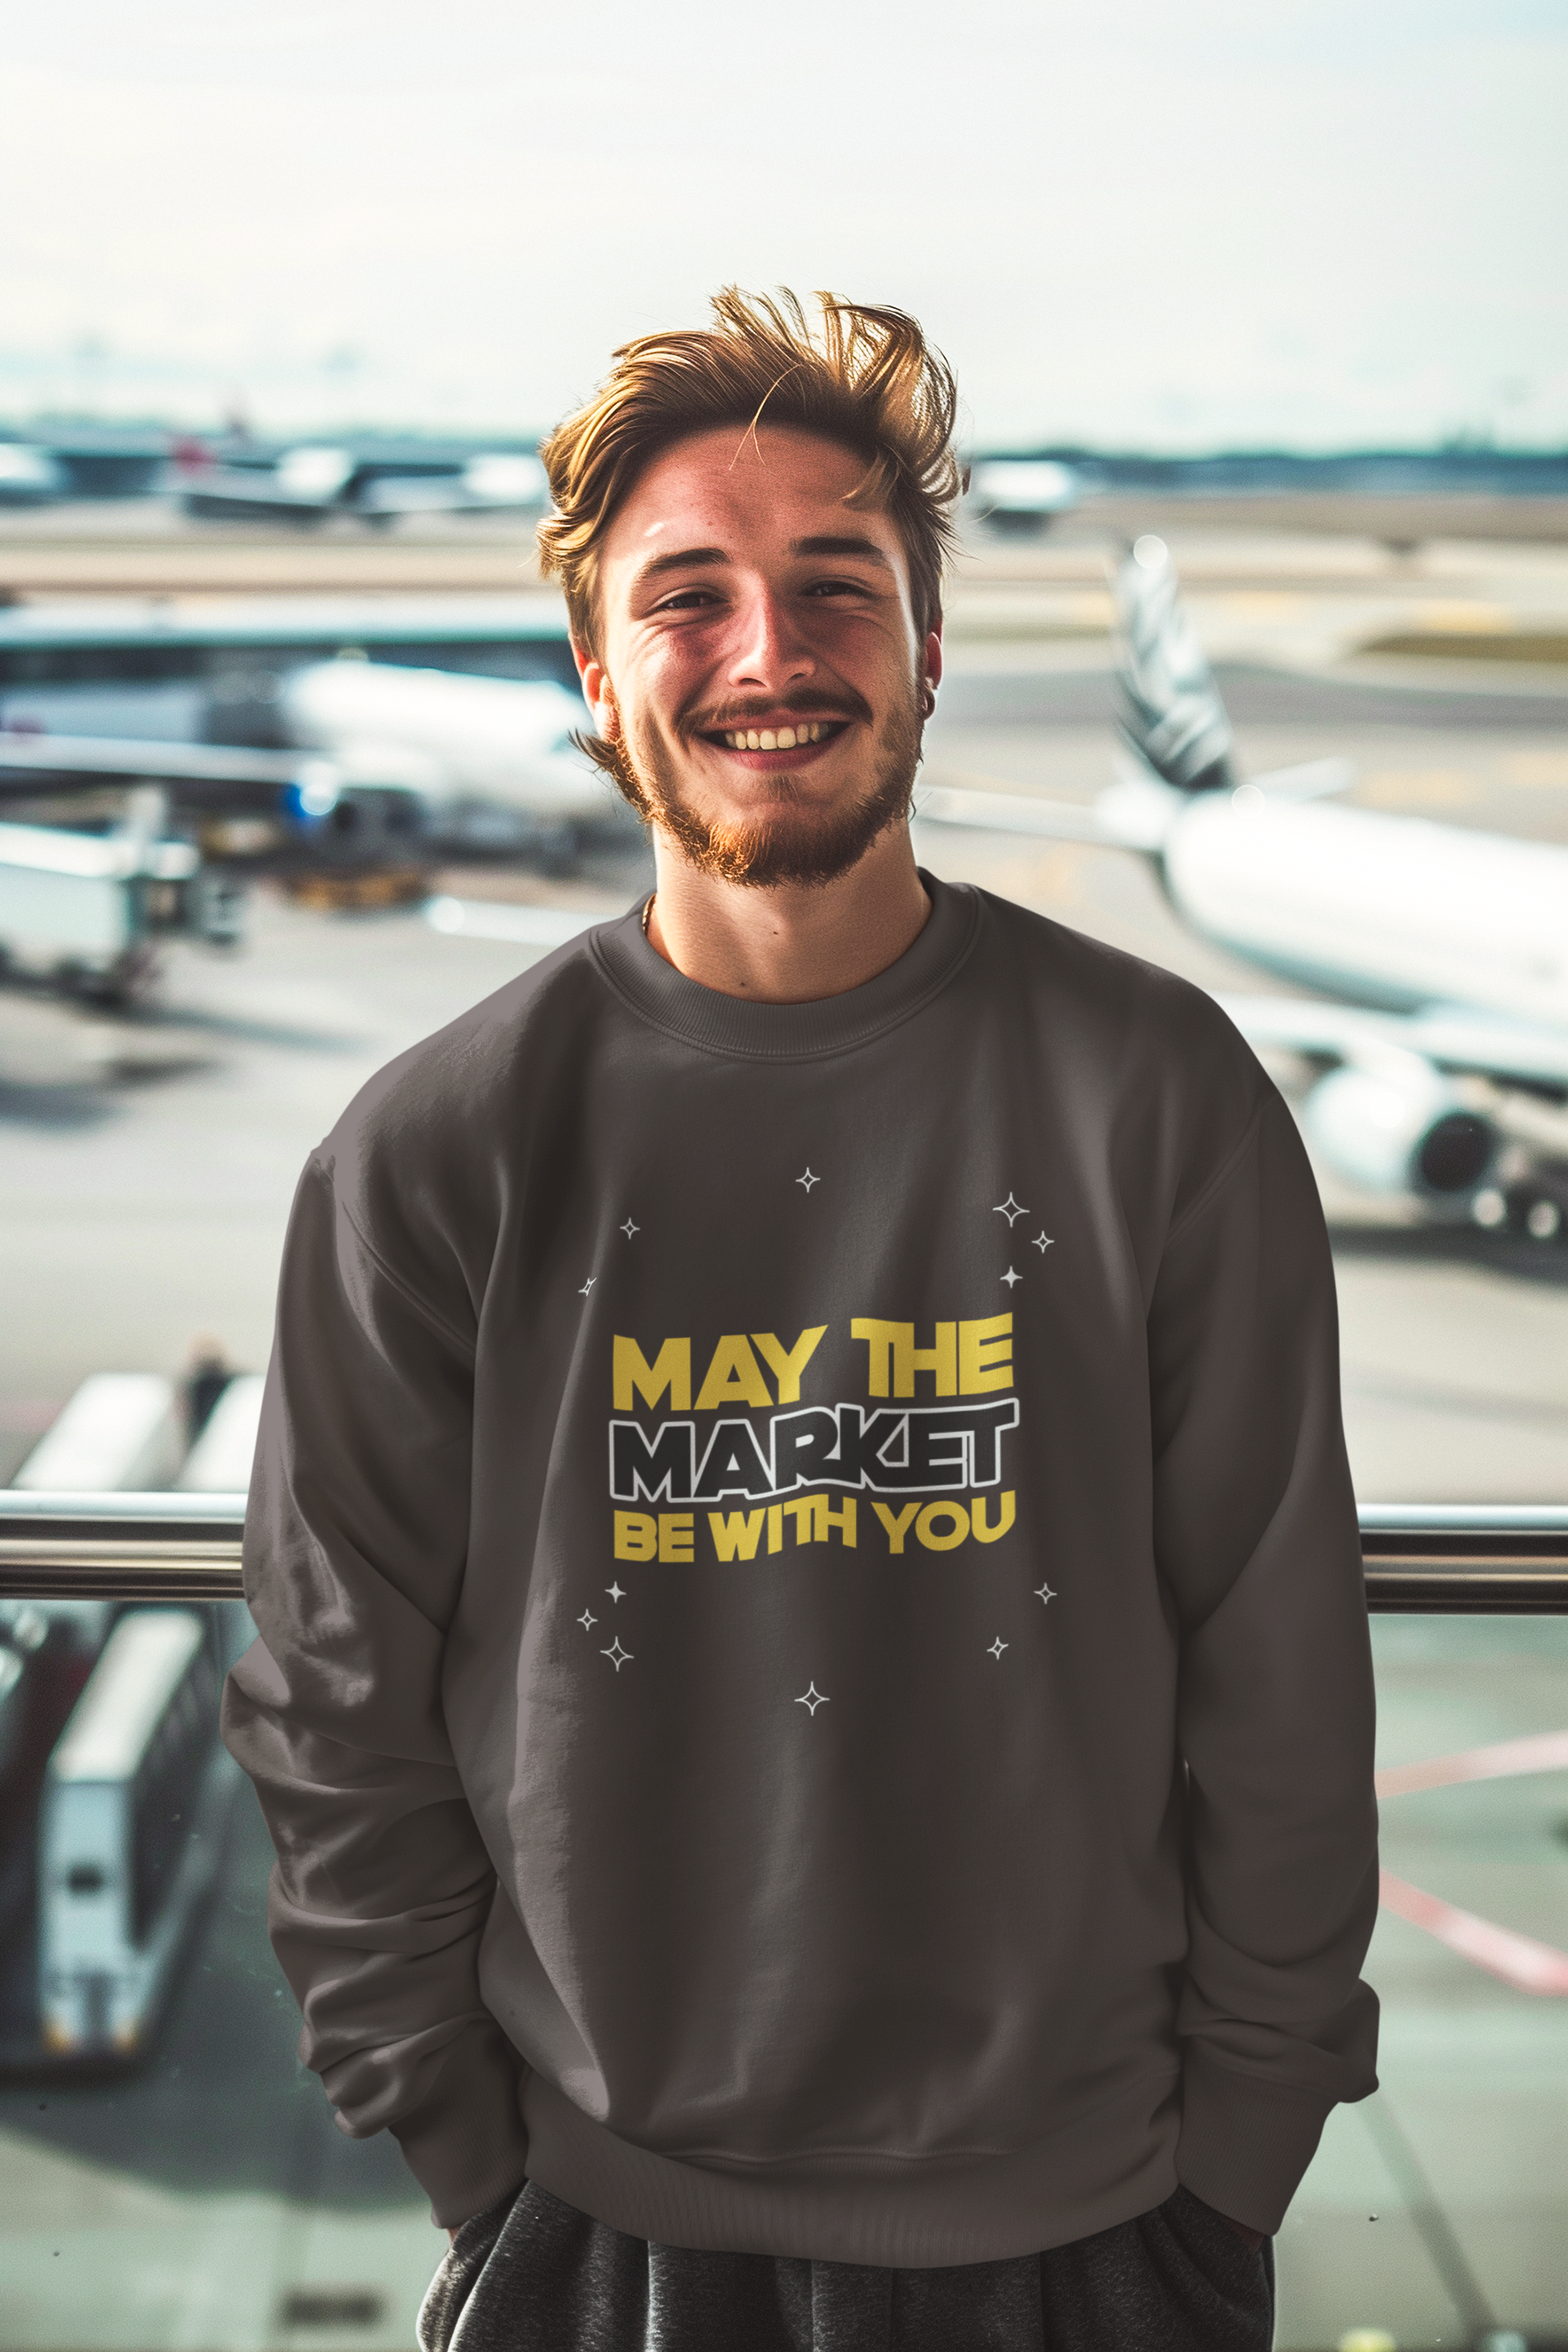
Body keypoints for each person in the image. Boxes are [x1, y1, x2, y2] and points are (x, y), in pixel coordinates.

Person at [224, 289, 1379, 2352]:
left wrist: (1242, 2160)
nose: (771, 653)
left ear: (930, 645)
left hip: (1114, 2223)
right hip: (596, 2230)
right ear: (597, 677)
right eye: (690, 598)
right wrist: (468, 2159)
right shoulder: (432, 1152)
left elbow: (1279, 1674)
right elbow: (335, 1717)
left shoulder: (1160, 1094)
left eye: (838, 584)